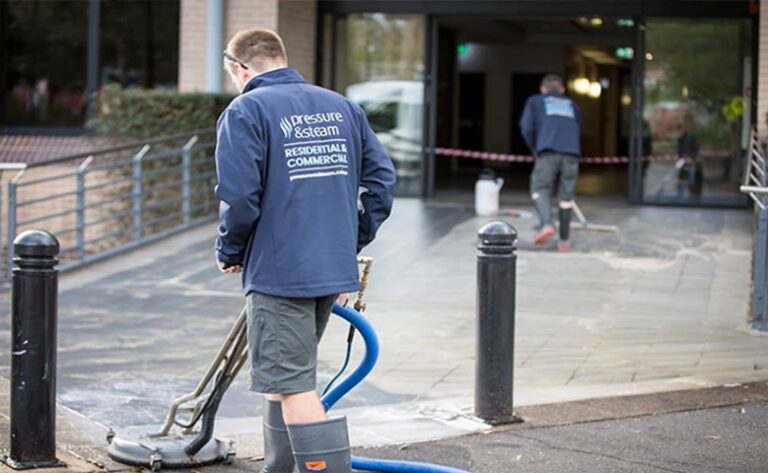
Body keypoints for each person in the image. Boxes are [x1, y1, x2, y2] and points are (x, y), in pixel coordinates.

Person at [214, 28, 396, 473]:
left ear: (241, 69)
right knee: (283, 377)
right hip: (327, 267)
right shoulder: (342, 106)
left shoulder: (247, 109)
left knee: (293, 385)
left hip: (280, 272)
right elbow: (382, 184)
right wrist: (349, 241)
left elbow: (239, 197)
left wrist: (230, 248)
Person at [520, 74, 581, 252]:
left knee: (539, 188)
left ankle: (546, 224)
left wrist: (535, 148)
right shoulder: (572, 105)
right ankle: (564, 241)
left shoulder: (535, 101)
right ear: (562, 90)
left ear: (543, 89)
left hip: (548, 152)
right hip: (571, 154)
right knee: (566, 198)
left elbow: (526, 127)